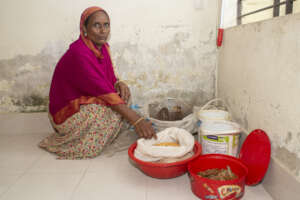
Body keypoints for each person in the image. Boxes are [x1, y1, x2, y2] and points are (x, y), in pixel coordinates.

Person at [39, 6, 156, 159]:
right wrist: (137, 120)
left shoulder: (102, 48)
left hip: (84, 100)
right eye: (96, 25)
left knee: (123, 94)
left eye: (106, 25)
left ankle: (105, 135)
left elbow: (106, 79)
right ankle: (81, 143)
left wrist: (118, 82)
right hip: (66, 112)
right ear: (84, 28)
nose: (103, 30)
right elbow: (102, 89)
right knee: (104, 112)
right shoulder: (79, 53)